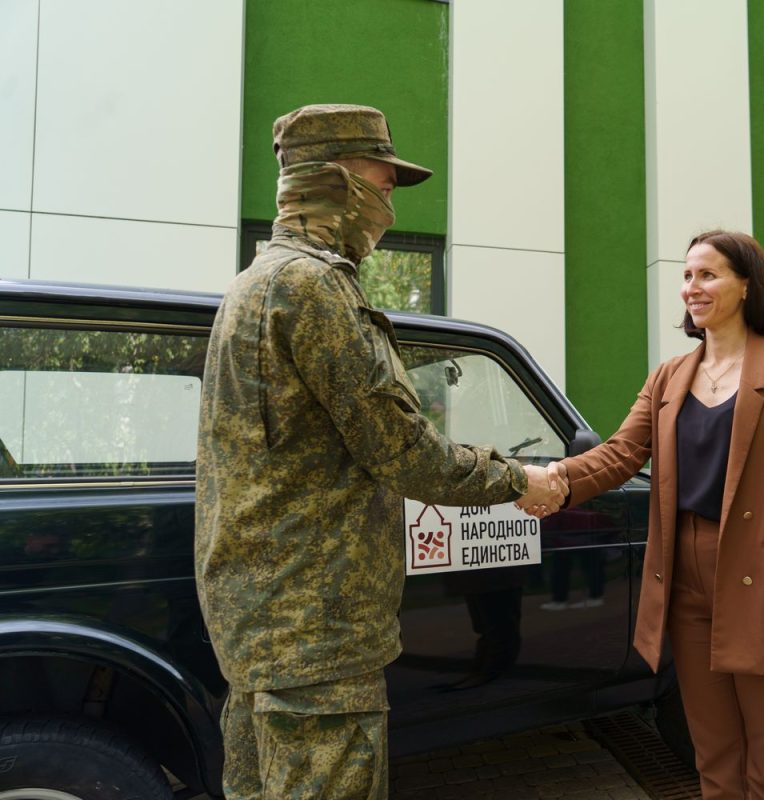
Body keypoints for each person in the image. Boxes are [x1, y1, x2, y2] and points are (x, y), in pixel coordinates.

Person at [195, 103, 564, 800]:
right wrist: (521, 476)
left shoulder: (255, 283)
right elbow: (404, 452)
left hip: (263, 629)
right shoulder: (313, 289)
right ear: (335, 180)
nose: (390, 204)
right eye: (384, 182)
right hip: (316, 637)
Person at [537, 230, 764, 799]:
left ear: (746, 285)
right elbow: (620, 453)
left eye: (708, 275)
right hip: (685, 581)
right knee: (714, 759)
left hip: (761, 579)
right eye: (687, 276)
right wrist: (550, 480)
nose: (692, 288)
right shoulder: (670, 375)